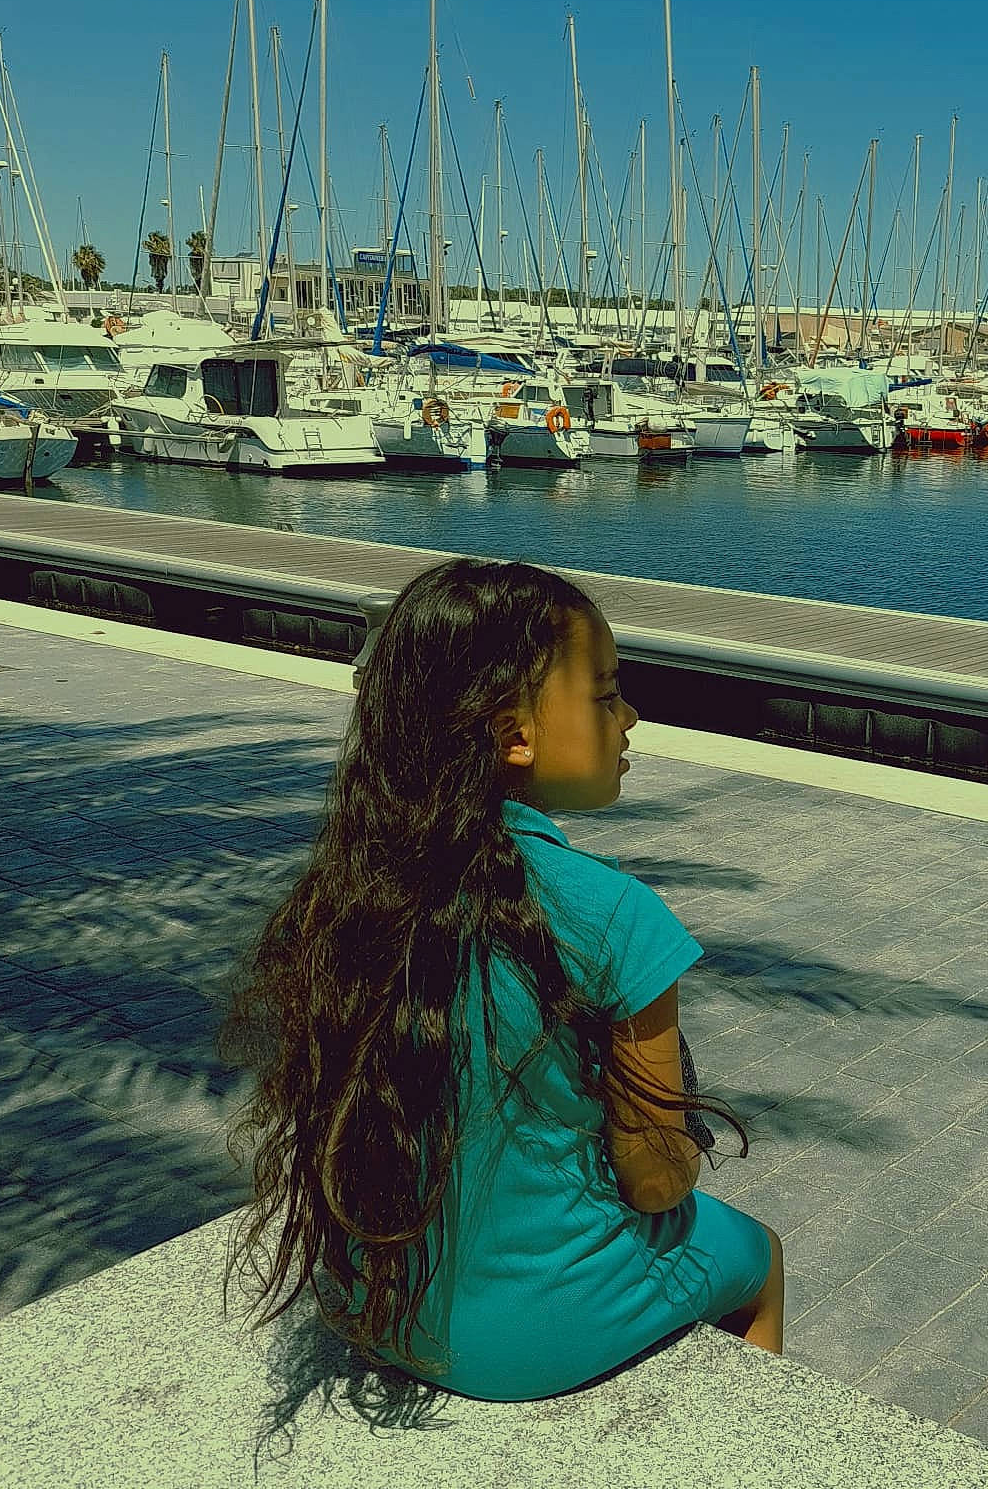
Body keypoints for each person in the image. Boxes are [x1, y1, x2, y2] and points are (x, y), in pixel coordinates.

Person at [215, 557, 783, 1402]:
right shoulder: (612, 914)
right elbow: (658, 1178)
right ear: (514, 732)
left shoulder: (357, 887)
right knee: (759, 1256)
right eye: (606, 694)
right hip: (531, 1342)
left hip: (371, 1300)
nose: (631, 717)